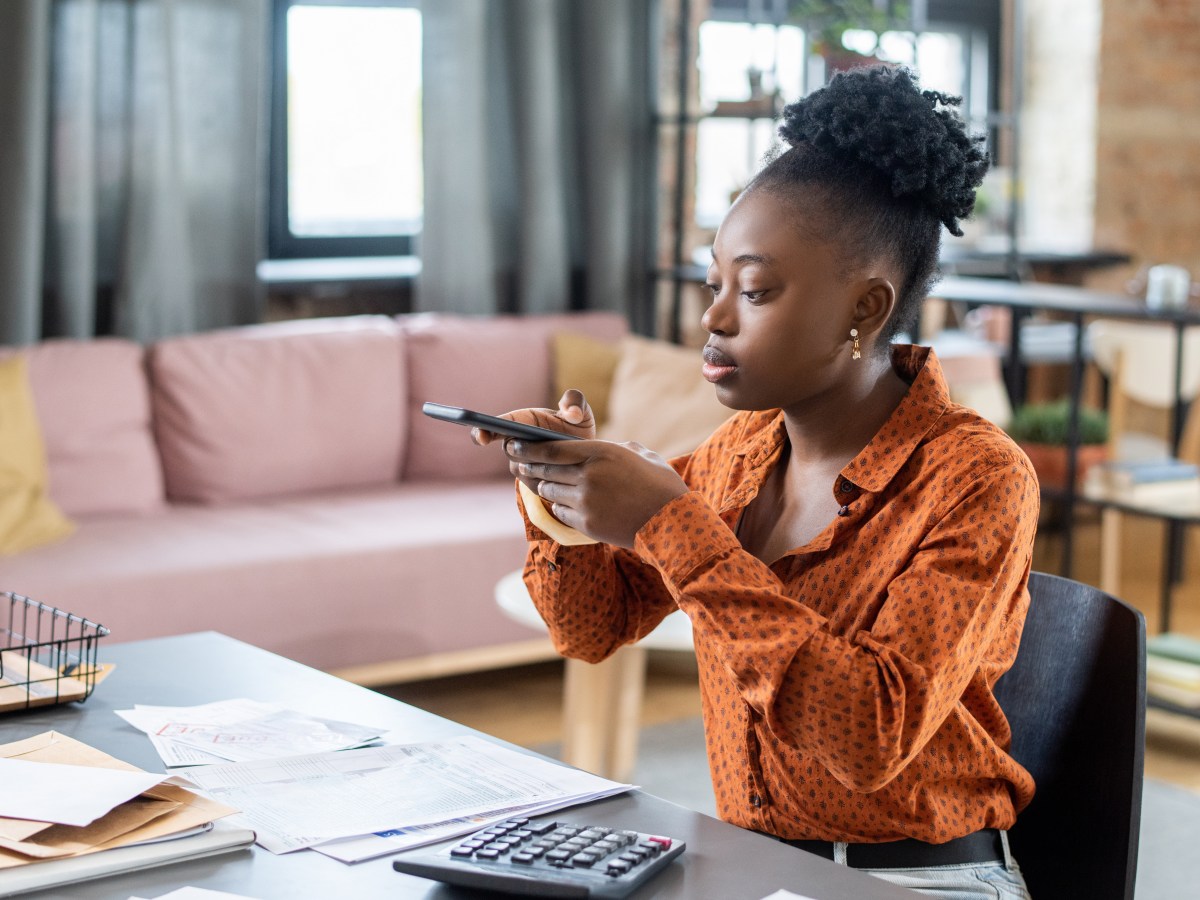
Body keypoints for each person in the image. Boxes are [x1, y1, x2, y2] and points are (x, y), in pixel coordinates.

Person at [474, 66, 1037, 899]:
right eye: (715, 285)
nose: (714, 318)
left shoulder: (976, 478)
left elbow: (869, 736)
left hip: (922, 884)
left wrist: (671, 524)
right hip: (755, 872)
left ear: (865, 309)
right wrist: (555, 493)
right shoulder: (740, 452)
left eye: (756, 289)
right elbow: (589, 628)